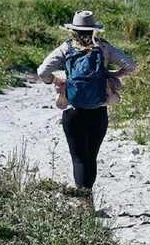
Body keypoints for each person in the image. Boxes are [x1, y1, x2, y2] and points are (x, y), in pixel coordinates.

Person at [37, 10, 136, 190]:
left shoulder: (66, 48)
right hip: (98, 112)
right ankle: (87, 201)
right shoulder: (104, 48)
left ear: (73, 30)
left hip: (72, 111)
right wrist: (112, 73)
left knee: (78, 159)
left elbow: (42, 71)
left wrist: (55, 80)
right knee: (91, 157)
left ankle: (85, 205)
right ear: (93, 30)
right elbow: (130, 65)